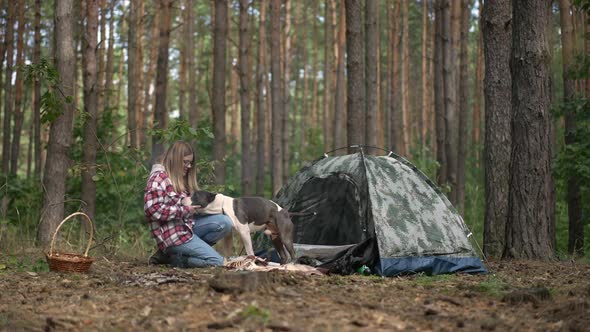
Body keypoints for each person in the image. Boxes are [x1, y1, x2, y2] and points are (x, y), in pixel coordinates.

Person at [144, 141, 232, 268]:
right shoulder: (158, 179)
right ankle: (178, 260)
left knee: (224, 222)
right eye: (185, 162)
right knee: (218, 262)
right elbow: (153, 210)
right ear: (175, 159)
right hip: (173, 237)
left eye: (190, 162)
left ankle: (180, 254)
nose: (189, 166)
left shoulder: (180, 178)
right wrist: (184, 210)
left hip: (187, 229)